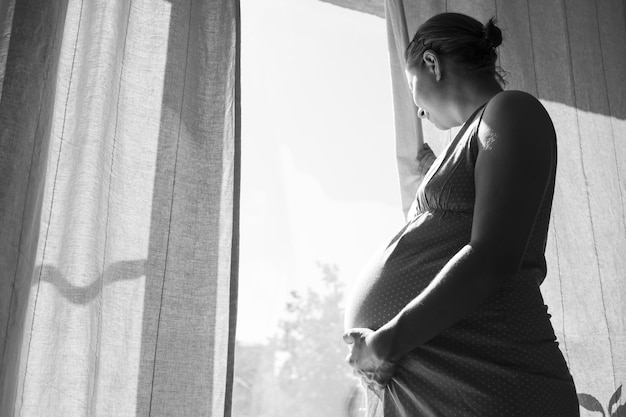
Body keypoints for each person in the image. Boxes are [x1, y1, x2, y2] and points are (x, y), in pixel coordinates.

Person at [342, 12, 579, 417]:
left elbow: (492, 256)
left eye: (410, 84)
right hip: (447, 387)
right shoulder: (474, 135)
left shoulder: (510, 110)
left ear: (431, 63)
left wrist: (387, 343)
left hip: (497, 384)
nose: (416, 112)